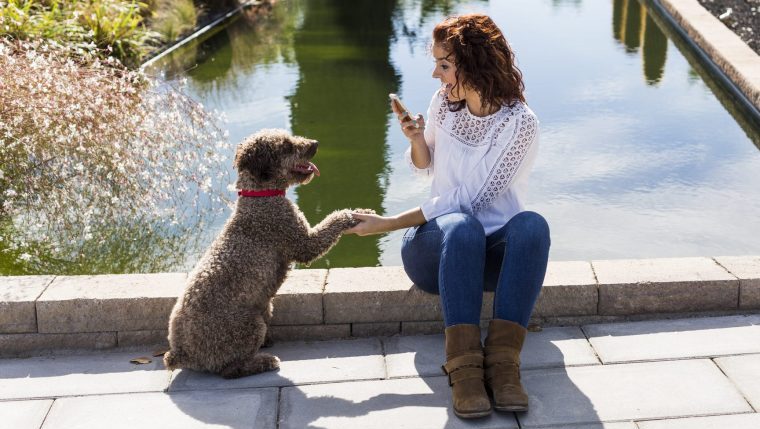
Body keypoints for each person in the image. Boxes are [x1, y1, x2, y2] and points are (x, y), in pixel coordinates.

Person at [346, 14, 550, 419]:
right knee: (460, 227)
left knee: (532, 226)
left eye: (444, 64)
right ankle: (466, 372)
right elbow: (425, 168)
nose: (436, 73)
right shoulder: (444, 104)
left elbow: (469, 199)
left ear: (474, 63)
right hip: (435, 249)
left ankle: (504, 366)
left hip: (489, 257)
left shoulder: (519, 124)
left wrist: (385, 223)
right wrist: (417, 138)